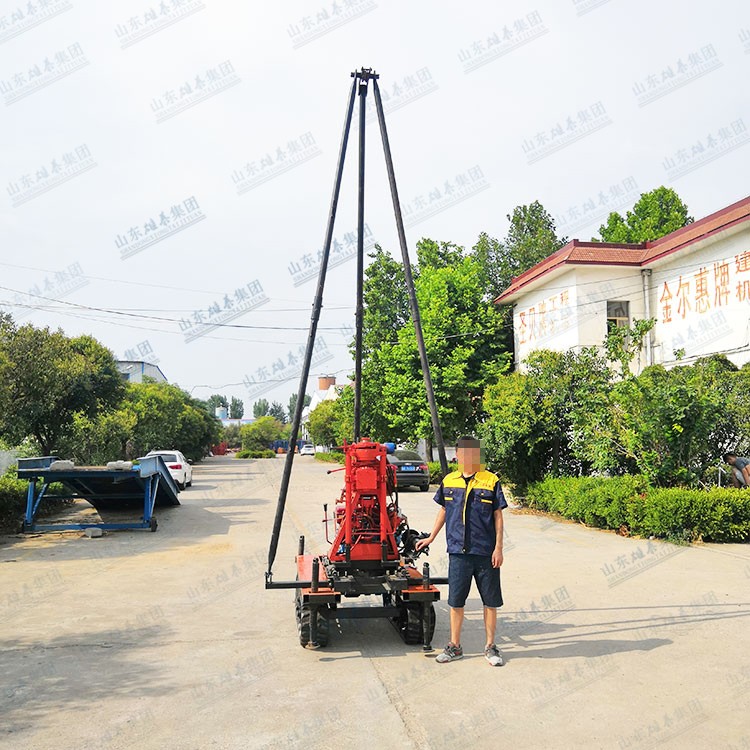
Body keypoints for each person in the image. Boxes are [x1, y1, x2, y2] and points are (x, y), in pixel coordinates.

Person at [416, 436, 506, 666]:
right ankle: (454, 646)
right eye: (464, 453)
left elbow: (498, 516)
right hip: (458, 552)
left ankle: (490, 647)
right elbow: (444, 511)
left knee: (490, 601)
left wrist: (498, 548)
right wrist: (431, 537)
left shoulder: (490, 480)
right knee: (456, 601)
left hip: (485, 553)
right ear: (458, 455)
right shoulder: (450, 480)